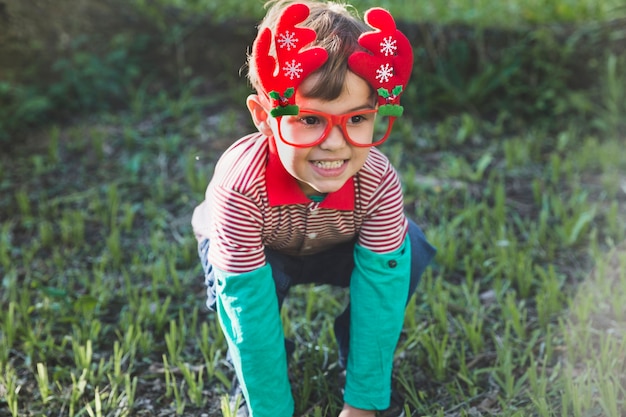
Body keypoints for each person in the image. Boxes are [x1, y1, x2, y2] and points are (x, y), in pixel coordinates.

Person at [191, 1, 436, 416]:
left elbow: (382, 291)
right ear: (264, 117)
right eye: (309, 120)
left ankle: (356, 361)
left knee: (405, 247)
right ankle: (265, 379)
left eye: (357, 119)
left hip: (336, 244)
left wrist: (362, 406)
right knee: (252, 315)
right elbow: (246, 307)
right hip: (257, 249)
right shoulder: (240, 188)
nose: (335, 143)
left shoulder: (377, 180)